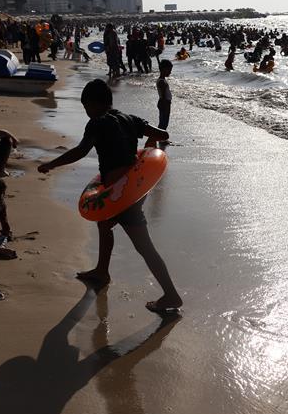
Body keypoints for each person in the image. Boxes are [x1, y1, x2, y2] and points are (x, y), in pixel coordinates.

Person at [37, 79, 182, 314]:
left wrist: (51, 164)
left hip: (121, 197)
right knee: (104, 223)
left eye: (86, 107)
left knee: (144, 246)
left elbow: (81, 150)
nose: (86, 112)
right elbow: (162, 133)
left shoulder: (97, 123)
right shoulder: (130, 119)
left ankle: (171, 294)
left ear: (94, 104)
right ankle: (102, 271)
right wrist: (148, 146)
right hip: (132, 190)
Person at [156, 59, 173, 130]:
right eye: (169, 70)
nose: (170, 72)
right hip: (165, 103)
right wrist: (164, 104)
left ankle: (162, 138)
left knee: (164, 121)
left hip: (165, 103)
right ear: (163, 69)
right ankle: (160, 138)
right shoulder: (162, 82)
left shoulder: (161, 80)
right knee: (163, 122)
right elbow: (163, 96)